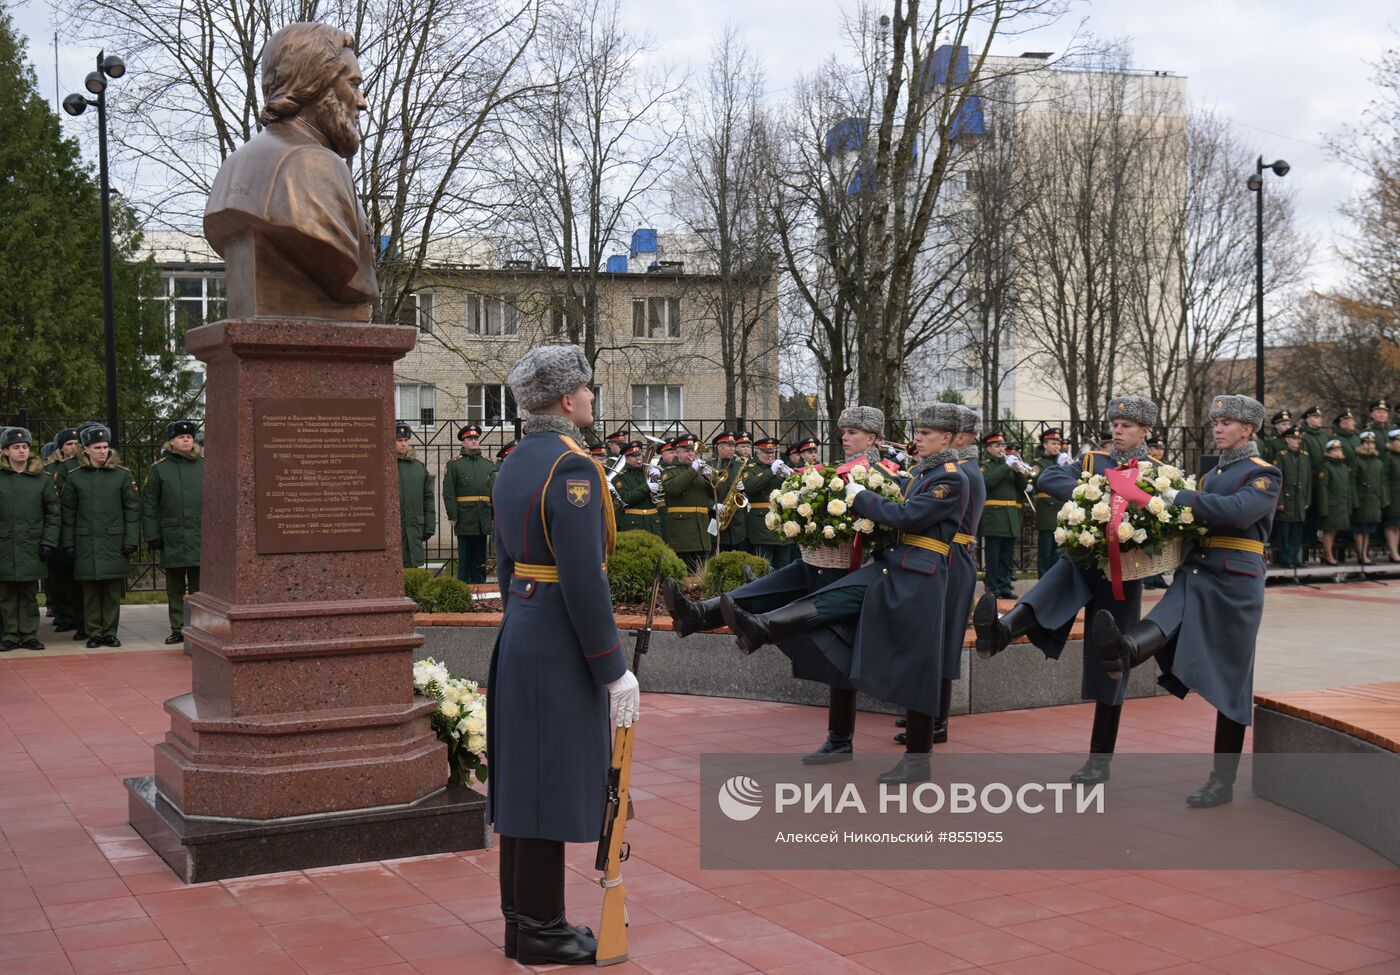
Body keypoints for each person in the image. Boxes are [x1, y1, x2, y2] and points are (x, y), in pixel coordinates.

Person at [721, 403, 968, 784]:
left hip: (921, 577)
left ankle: (919, 760)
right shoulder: (926, 472)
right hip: (894, 566)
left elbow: (908, 517)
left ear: (948, 438)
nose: (917, 438)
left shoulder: (951, 478)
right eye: (918, 432)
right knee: (831, 600)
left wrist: (857, 495)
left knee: (919, 666)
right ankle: (761, 627)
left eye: (927, 434)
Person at [488, 344, 637, 966]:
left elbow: (505, 561)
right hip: (558, 638)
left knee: (524, 776)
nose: (593, 399)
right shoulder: (572, 469)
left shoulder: (517, 460)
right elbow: (583, 578)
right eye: (588, 390)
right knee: (548, 779)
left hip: (523, 625)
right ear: (566, 399)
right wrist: (612, 665)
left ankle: (523, 919)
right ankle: (545, 928)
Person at [664, 407, 892, 763]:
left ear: (873, 438)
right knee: (772, 585)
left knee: (841, 657)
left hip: (853, 569)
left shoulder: (883, 472)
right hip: (822, 559)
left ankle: (839, 739)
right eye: (844, 430)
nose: (844, 436)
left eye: (853, 432)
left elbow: (885, 516)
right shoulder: (840, 469)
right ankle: (698, 614)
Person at [1092, 394, 1280, 807]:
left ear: (1247, 430)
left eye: (1227, 422)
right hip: (1199, 567)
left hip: (1236, 578)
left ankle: (1222, 781)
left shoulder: (1264, 474)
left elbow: (1236, 512)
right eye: (1216, 421)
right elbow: (1195, 517)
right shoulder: (1213, 473)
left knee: (1232, 678)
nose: (1217, 427)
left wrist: (1170, 499)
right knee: (1166, 615)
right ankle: (1123, 650)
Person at [973, 395, 1158, 784]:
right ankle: (1002, 632)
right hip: (1086, 556)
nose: (1118, 430)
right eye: (1115, 424)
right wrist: (1096, 494)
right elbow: (1049, 478)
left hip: (1123, 571)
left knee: (1110, 661)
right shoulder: (1093, 461)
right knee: (1063, 572)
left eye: (1127, 425)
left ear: (1146, 431)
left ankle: (1099, 759)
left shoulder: (1157, 471)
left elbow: (1163, 510)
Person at [203, 22, 378, 321]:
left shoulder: (235, 163)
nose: (361, 103)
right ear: (314, 83)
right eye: (353, 84)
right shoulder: (311, 164)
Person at [60, 425, 139, 648]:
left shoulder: (122, 475)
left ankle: (110, 632)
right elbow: (68, 514)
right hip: (86, 541)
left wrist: (131, 539)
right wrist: (68, 542)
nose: (103, 451)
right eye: (98, 447)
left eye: (105, 447)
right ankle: (94, 632)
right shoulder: (75, 478)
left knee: (112, 590)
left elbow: (132, 510)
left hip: (114, 540)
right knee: (91, 590)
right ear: (86, 450)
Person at [140, 421, 203, 644]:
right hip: (172, 536)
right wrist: (152, 535)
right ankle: (178, 628)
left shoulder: (205, 466)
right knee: (174, 586)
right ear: (171, 442)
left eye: (189, 436)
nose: (186, 440)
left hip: (200, 535)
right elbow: (149, 505)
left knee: (200, 587)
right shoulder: (160, 469)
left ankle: (199, 626)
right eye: (180, 437)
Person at [0, 428, 59, 651]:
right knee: (6, 594)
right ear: (5, 451)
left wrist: (48, 541)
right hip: (4, 544)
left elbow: (53, 513)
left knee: (28, 593)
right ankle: (10, 635)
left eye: (25, 446)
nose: (22, 451)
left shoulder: (41, 479)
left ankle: (29, 634)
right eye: (16, 447)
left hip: (32, 544)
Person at [43, 428, 83, 634]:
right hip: (57, 529)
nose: (73, 447)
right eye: (68, 444)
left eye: (76, 443)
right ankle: (64, 614)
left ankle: (78, 616)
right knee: (58, 577)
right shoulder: (50, 469)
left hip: (77, 527)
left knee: (77, 576)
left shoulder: (83, 466)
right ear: (60, 447)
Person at [978, 432, 1027, 599]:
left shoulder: (1010, 466)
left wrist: (1018, 470)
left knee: (1006, 556)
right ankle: (992, 587)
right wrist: (1006, 466)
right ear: (989, 448)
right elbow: (988, 482)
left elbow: (1022, 487)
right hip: (994, 518)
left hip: (1010, 517)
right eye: (998, 446)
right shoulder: (986, 465)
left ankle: (1004, 586)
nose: (1002, 449)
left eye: (1003, 446)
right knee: (993, 557)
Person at [442, 423, 493, 583]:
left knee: (480, 560)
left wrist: (492, 516)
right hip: (464, 518)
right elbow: (449, 492)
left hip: (482, 518)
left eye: (476, 438)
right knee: (464, 560)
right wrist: (453, 516)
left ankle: (480, 588)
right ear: (463, 442)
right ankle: (463, 589)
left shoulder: (488, 464)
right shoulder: (455, 464)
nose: (474, 440)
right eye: (470, 438)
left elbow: (492, 492)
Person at [661, 434, 717, 571]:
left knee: (702, 573)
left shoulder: (699, 471)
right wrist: (693, 470)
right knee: (686, 573)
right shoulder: (670, 472)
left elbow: (715, 494)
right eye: (686, 450)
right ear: (676, 453)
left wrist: (711, 479)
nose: (691, 453)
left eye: (692, 450)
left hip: (702, 531)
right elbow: (674, 489)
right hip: (682, 533)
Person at [393, 422, 435, 569]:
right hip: (393, 528)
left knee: (412, 567)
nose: (403, 444)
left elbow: (428, 498)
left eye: (406, 440)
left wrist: (429, 526)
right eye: (399, 440)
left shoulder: (418, 468)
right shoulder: (385, 467)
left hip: (415, 526)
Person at [744, 436, 788, 567]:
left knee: (783, 568)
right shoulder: (751, 468)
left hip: (782, 524)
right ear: (757, 452)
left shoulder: (780, 468)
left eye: (772, 452)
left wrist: (789, 478)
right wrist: (771, 472)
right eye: (766, 452)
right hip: (762, 524)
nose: (770, 455)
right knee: (763, 567)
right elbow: (750, 487)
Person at [1272, 426, 1311, 569]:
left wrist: (1307, 500)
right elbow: (1278, 480)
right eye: (1294, 438)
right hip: (1287, 500)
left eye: (1298, 438)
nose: (1297, 441)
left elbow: (1307, 481)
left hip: (1299, 500)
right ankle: (1285, 558)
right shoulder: (1281, 456)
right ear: (1287, 439)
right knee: (1285, 532)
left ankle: (1295, 558)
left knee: (1297, 531)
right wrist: (1279, 501)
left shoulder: (1304, 456)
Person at [1316, 439, 1355, 565]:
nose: (1338, 452)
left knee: (1334, 531)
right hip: (1331, 505)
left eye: (1339, 450)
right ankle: (1328, 556)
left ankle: (1328, 554)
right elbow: (1323, 489)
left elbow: (1348, 488)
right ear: (1329, 452)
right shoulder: (1326, 467)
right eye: (1335, 450)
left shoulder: (1344, 467)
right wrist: (1324, 508)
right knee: (1328, 532)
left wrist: (1348, 505)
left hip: (1341, 504)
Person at [1032, 428, 1065, 577]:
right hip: (1047, 511)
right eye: (1053, 443)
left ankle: (1056, 580)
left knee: (1059, 552)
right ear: (1045, 445)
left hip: (1061, 510)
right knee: (1046, 551)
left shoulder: (1062, 461)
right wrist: (1058, 467)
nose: (1057, 447)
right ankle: (1043, 580)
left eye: (1058, 444)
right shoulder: (1038, 463)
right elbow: (1039, 481)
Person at [1352, 431, 1389, 566]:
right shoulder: (1357, 461)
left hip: (1373, 500)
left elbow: (1382, 482)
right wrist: (1354, 501)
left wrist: (1383, 499)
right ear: (1361, 445)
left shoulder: (1378, 462)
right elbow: (1352, 483)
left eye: (1372, 443)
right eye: (1367, 443)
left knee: (1367, 530)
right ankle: (1361, 554)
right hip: (1361, 500)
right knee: (1359, 528)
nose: (1370, 446)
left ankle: (1364, 552)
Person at [712, 431, 749, 553]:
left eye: (733, 446)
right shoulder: (710, 465)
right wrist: (711, 505)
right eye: (729, 446)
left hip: (736, 522)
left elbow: (744, 493)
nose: (732, 449)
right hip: (714, 519)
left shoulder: (738, 464)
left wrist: (743, 490)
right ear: (719, 446)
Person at [615, 442, 662, 536]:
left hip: (653, 521)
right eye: (634, 456)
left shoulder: (649, 471)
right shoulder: (621, 476)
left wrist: (659, 477)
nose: (638, 458)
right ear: (627, 458)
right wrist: (646, 487)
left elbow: (662, 496)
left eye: (640, 455)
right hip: (634, 522)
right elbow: (626, 499)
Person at [1385, 429, 1400, 562]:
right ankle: (1393, 552)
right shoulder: (1388, 457)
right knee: (1392, 525)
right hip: (1393, 495)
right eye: (1398, 440)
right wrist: (1386, 497)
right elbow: (1384, 478)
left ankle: (1396, 552)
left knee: (1398, 526)